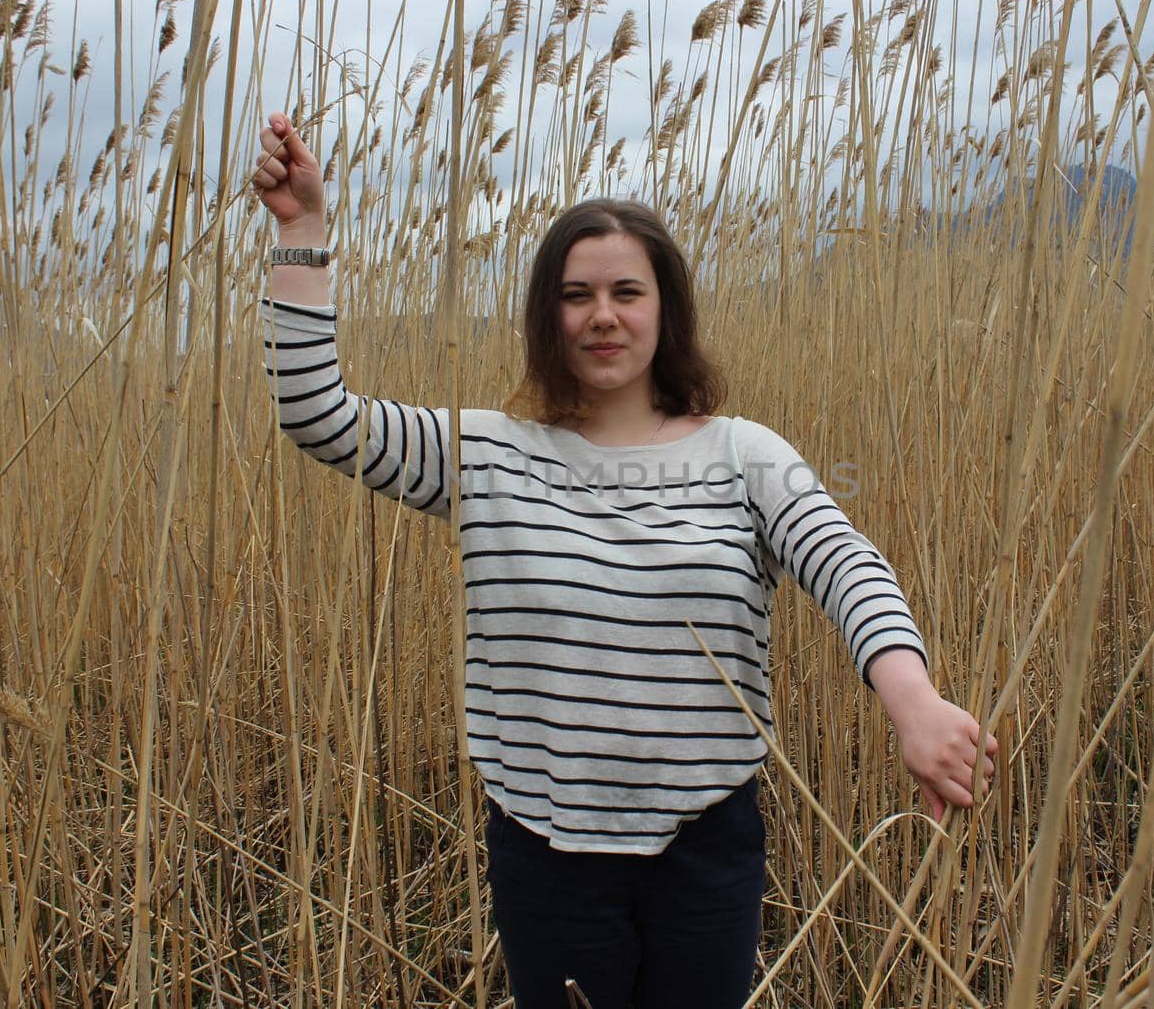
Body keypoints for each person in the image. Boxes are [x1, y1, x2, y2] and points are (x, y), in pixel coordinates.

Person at [252, 111, 998, 1009]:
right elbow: (317, 418)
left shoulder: (743, 453)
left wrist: (910, 699)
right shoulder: (486, 454)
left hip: (706, 849)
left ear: (665, 309)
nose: (601, 315)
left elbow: (843, 561)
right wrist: (302, 232)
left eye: (626, 292)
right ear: (547, 314)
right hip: (546, 851)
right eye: (576, 294)